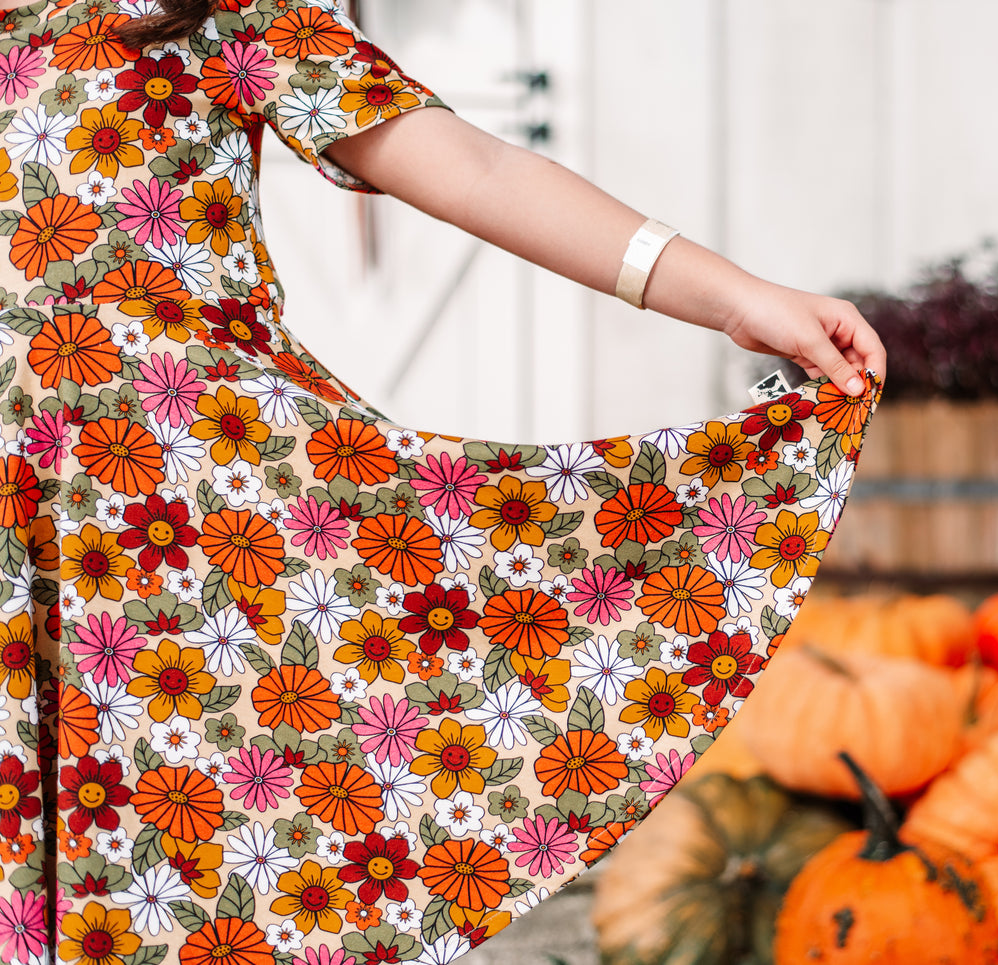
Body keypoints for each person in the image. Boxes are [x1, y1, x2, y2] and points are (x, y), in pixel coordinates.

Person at [0, 2, 884, 963]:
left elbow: (478, 170)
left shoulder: (206, 20)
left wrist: (734, 297)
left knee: (184, 873)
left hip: (183, 537)